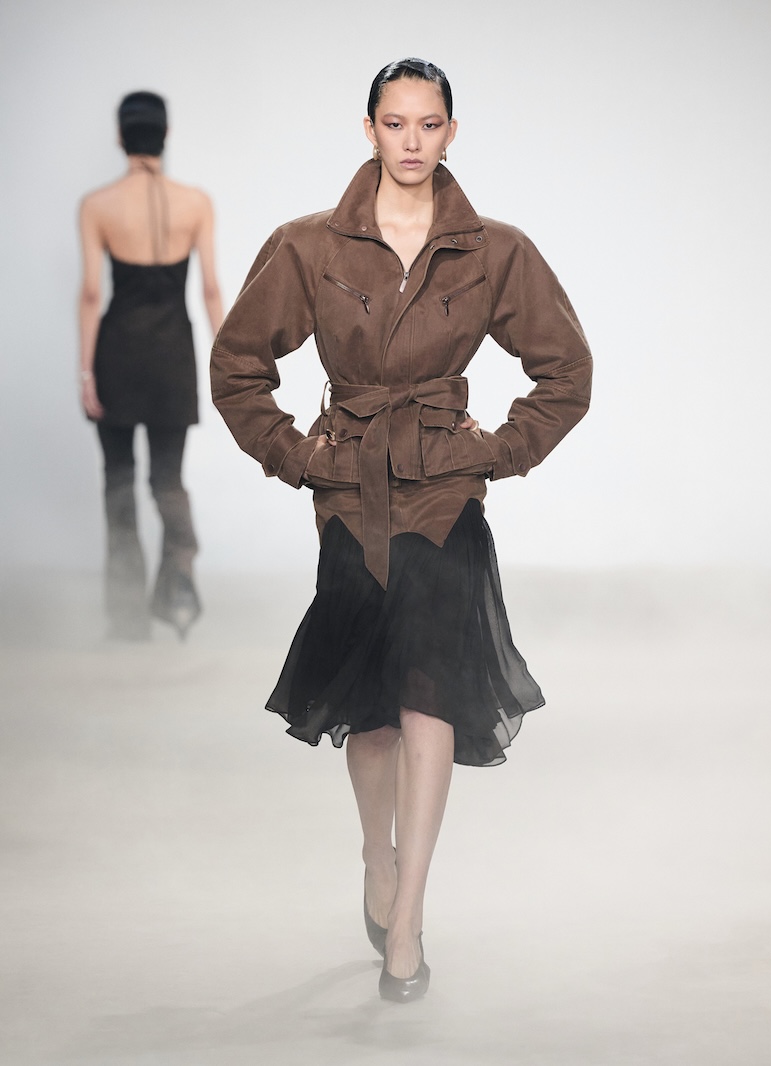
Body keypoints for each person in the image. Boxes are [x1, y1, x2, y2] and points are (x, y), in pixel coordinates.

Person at [211, 59, 592, 1001]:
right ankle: (375, 858)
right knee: (372, 715)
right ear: (370, 129)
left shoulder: (494, 250)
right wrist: (298, 456)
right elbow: (237, 365)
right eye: (395, 122)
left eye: (428, 123)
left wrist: (496, 451)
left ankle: (410, 915)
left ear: (452, 131)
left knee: (429, 699)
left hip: (445, 497)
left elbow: (566, 371)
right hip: (350, 493)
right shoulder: (309, 245)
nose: (412, 140)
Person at [78, 91, 223, 640]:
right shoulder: (196, 202)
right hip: (172, 357)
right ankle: (179, 576)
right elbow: (210, 290)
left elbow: (91, 294)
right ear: (166, 135)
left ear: (120, 136)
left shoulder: (97, 205)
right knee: (168, 481)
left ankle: (126, 620)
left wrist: (85, 372)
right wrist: (227, 363)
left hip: (116, 354)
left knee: (118, 483)